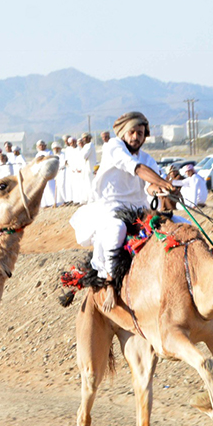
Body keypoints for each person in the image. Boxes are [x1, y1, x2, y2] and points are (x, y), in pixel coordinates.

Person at [68, 112, 177, 304]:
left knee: (179, 225)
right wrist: (161, 181)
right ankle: (110, 283)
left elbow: (149, 185)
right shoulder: (113, 147)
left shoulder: (147, 158)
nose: (136, 137)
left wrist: (159, 187)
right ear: (124, 134)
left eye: (140, 133)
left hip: (139, 210)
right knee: (117, 230)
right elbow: (134, 168)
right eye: (132, 132)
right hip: (112, 206)